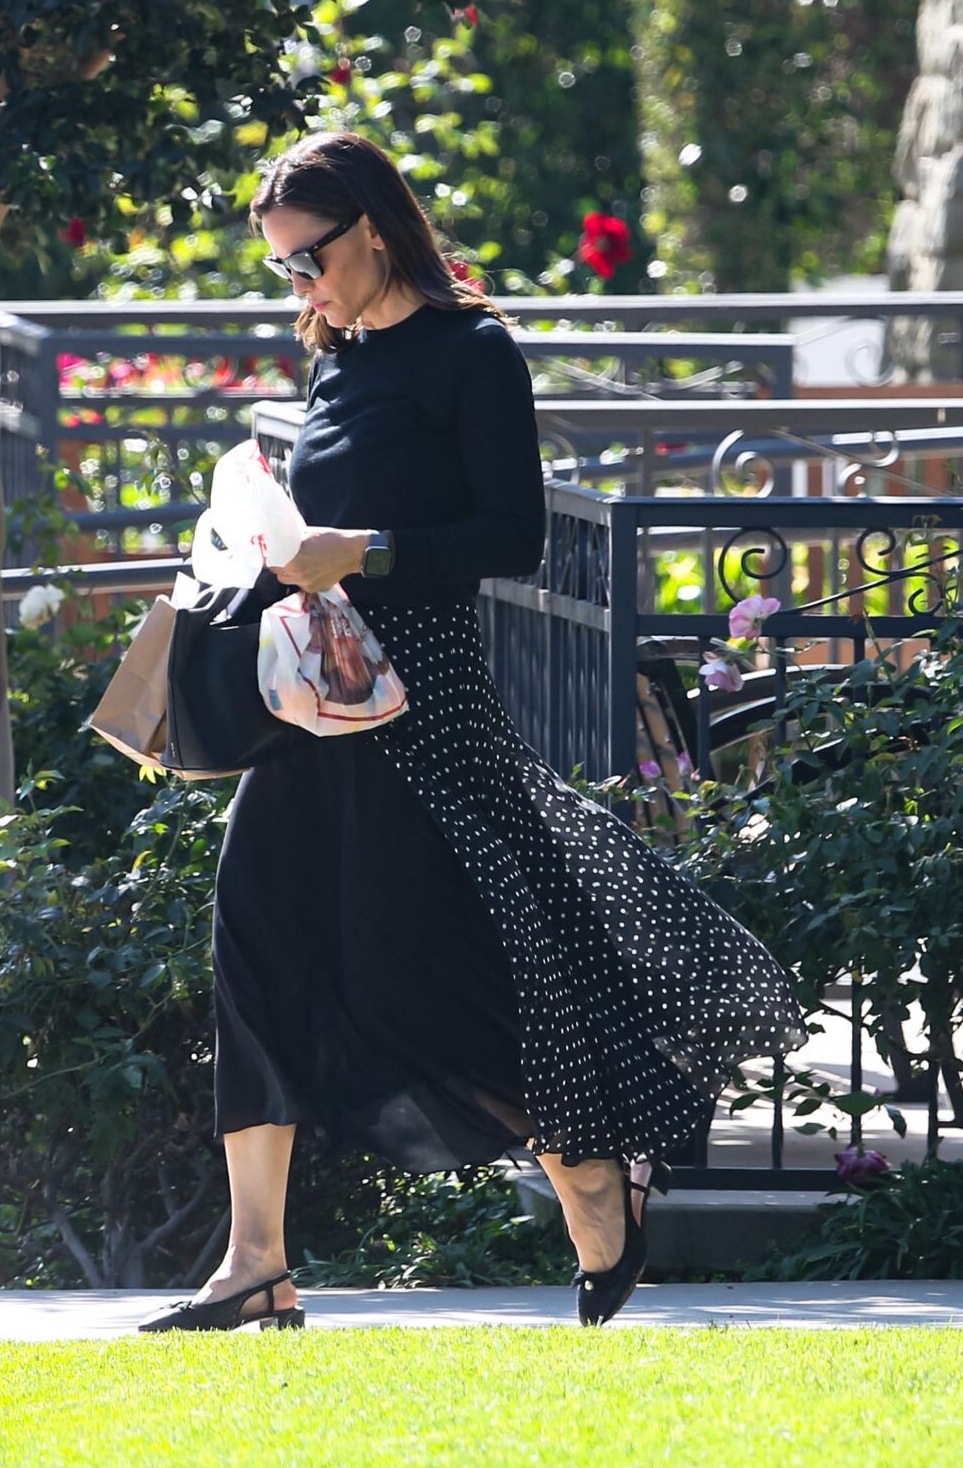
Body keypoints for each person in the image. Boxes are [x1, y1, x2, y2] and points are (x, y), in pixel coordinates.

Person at [139, 130, 807, 1335]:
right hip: (320, 698)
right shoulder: (336, 360)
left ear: (373, 229)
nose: (302, 286)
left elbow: (511, 536)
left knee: (457, 955)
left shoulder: (473, 353)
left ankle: (589, 1171)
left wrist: (366, 551)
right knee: (255, 935)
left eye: (311, 257)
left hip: (426, 702)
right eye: (284, 268)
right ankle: (255, 1262)